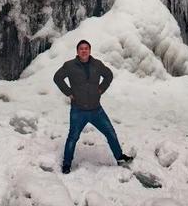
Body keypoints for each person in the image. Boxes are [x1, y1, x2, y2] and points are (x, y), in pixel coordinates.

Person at [53, 39, 134, 174]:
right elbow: (57, 78)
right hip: (78, 111)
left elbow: (108, 75)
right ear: (77, 52)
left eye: (86, 48)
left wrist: (101, 89)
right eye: (81, 49)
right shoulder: (69, 66)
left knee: (110, 133)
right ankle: (66, 164)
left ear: (89, 51)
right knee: (72, 137)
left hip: (96, 110)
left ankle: (119, 157)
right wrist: (68, 92)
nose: (84, 51)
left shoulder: (97, 64)